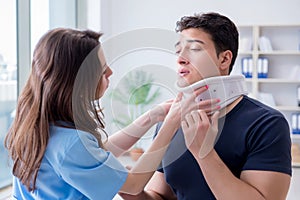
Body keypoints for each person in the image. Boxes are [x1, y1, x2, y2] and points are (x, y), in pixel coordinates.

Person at [4, 28, 220, 200]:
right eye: (102, 67)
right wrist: (171, 123)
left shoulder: (36, 130)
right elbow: (134, 185)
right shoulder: (72, 144)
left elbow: (96, 154)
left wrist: (150, 117)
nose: (110, 72)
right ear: (77, 80)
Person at [120, 12, 292, 200]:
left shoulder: (266, 124)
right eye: (178, 51)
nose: (180, 59)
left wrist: (205, 154)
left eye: (194, 49)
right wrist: (131, 192)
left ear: (224, 59)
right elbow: (161, 196)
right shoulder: (170, 122)